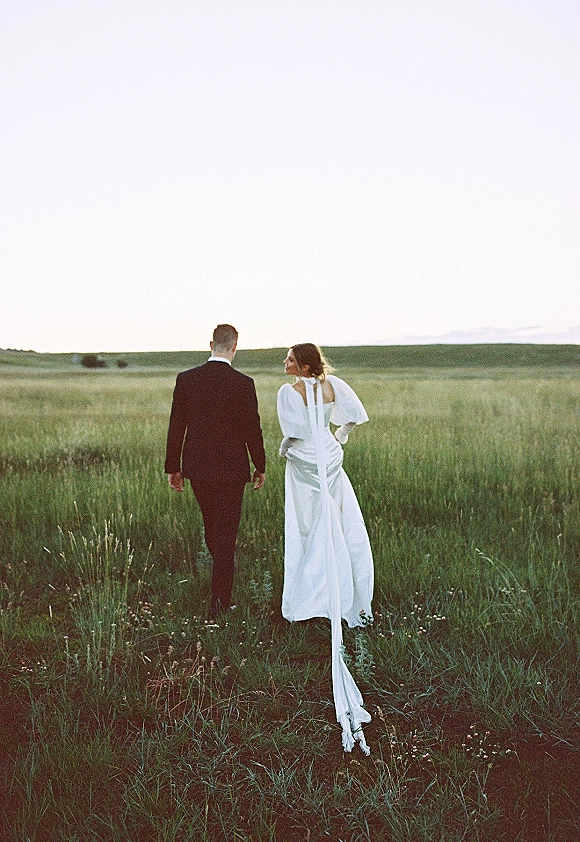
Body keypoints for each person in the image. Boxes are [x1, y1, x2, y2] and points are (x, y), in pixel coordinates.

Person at [277, 343, 374, 754]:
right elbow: (354, 415)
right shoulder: (332, 384)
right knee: (337, 520)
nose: (284, 365)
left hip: (304, 460)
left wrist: (283, 450)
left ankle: (310, 593)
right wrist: (340, 436)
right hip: (330, 458)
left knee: (309, 525)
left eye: (288, 359)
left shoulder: (288, 392)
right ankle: (346, 592)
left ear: (301, 364)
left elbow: (294, 432)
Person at [165, 324, 266, 619]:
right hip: (233, 470)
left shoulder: (187, 379)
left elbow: (176, 426)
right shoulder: (243, 383)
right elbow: (252, 429)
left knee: (212, 526)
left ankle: (221, 583)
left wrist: (174, 467)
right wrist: (259, 465)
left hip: (198, 468)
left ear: (211, 344)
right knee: (226, 532)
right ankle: (220, 601)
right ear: (235, 347)